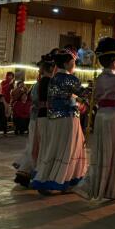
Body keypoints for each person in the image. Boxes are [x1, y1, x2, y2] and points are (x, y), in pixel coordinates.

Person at [75, 38, 115, 202]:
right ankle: (111, 188)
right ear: (114, 61)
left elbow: (92, 98)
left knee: (102, 150)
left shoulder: (98, 79)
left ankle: (98, 185)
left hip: (101, 116)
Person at [31, 48, 87, 195]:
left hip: (54, 118)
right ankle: (63, 180)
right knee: (68, 148)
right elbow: (85, 93)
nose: (75, 65)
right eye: (74, 62)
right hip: (68, 118)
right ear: (68, 63)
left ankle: (45, 178)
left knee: (54, 148)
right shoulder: (70, 78)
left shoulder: (54, 79)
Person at [13, 53, 55, 187]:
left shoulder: (38, 84)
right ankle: (29, 172)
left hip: (35, 117)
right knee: (37, 146)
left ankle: (25, 172)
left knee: (33, 145)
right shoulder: (44, 83)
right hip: (39, 118)